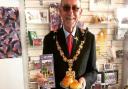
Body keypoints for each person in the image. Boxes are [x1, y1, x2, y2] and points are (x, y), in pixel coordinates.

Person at [36, 0, 98, 89]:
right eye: (66, 8)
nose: (70, 12)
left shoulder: (89, 38)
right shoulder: (49, 39)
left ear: (80, 12)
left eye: (75, 8)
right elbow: (47, 75)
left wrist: (84, 80)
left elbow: (93, 71)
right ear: (60, 11)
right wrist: (44, 82)